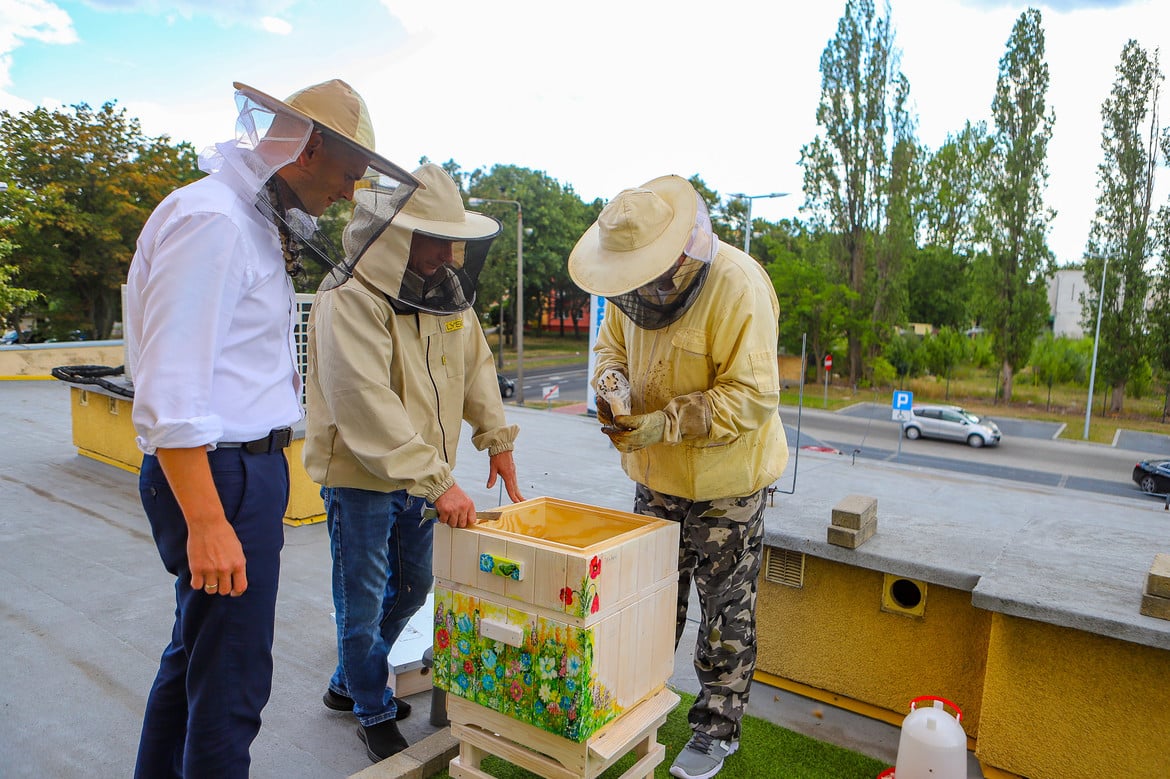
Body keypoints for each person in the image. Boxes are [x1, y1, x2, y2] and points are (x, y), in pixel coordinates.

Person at [124, 79, 418, 778]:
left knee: (195, 656)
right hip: (218, 474)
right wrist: (207, 519)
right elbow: (173, 385)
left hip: (235, 471)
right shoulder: (215, 220)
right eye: (349, 174)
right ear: (310, 147)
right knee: (232, 685)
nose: (349, 194)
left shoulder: (241, 218)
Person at [567, 175, 789, 779]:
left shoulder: (737, 285)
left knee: (725, 610)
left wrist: (666, 422)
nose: (635, 289)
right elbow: (611, 351)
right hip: (655, 479)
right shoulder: (630, 291)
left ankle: (717, 729)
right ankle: (636, 707)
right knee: (647, 601)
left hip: (727, 486)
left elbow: (751, 397)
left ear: (677, 257)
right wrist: (613, 392)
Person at [303, 163, 525, 762]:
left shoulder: (447, 295)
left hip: (425, 482)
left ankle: (349, 682)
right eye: (431, 237)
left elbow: (476, 367)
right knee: (363, 597)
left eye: (451, 238)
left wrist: (496, 441)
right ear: (392, 236)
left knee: (415, 584)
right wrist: (440, 481)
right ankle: (372, 708)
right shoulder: (349, 298)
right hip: (362, 480)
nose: (447, 253)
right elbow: (362, 400)